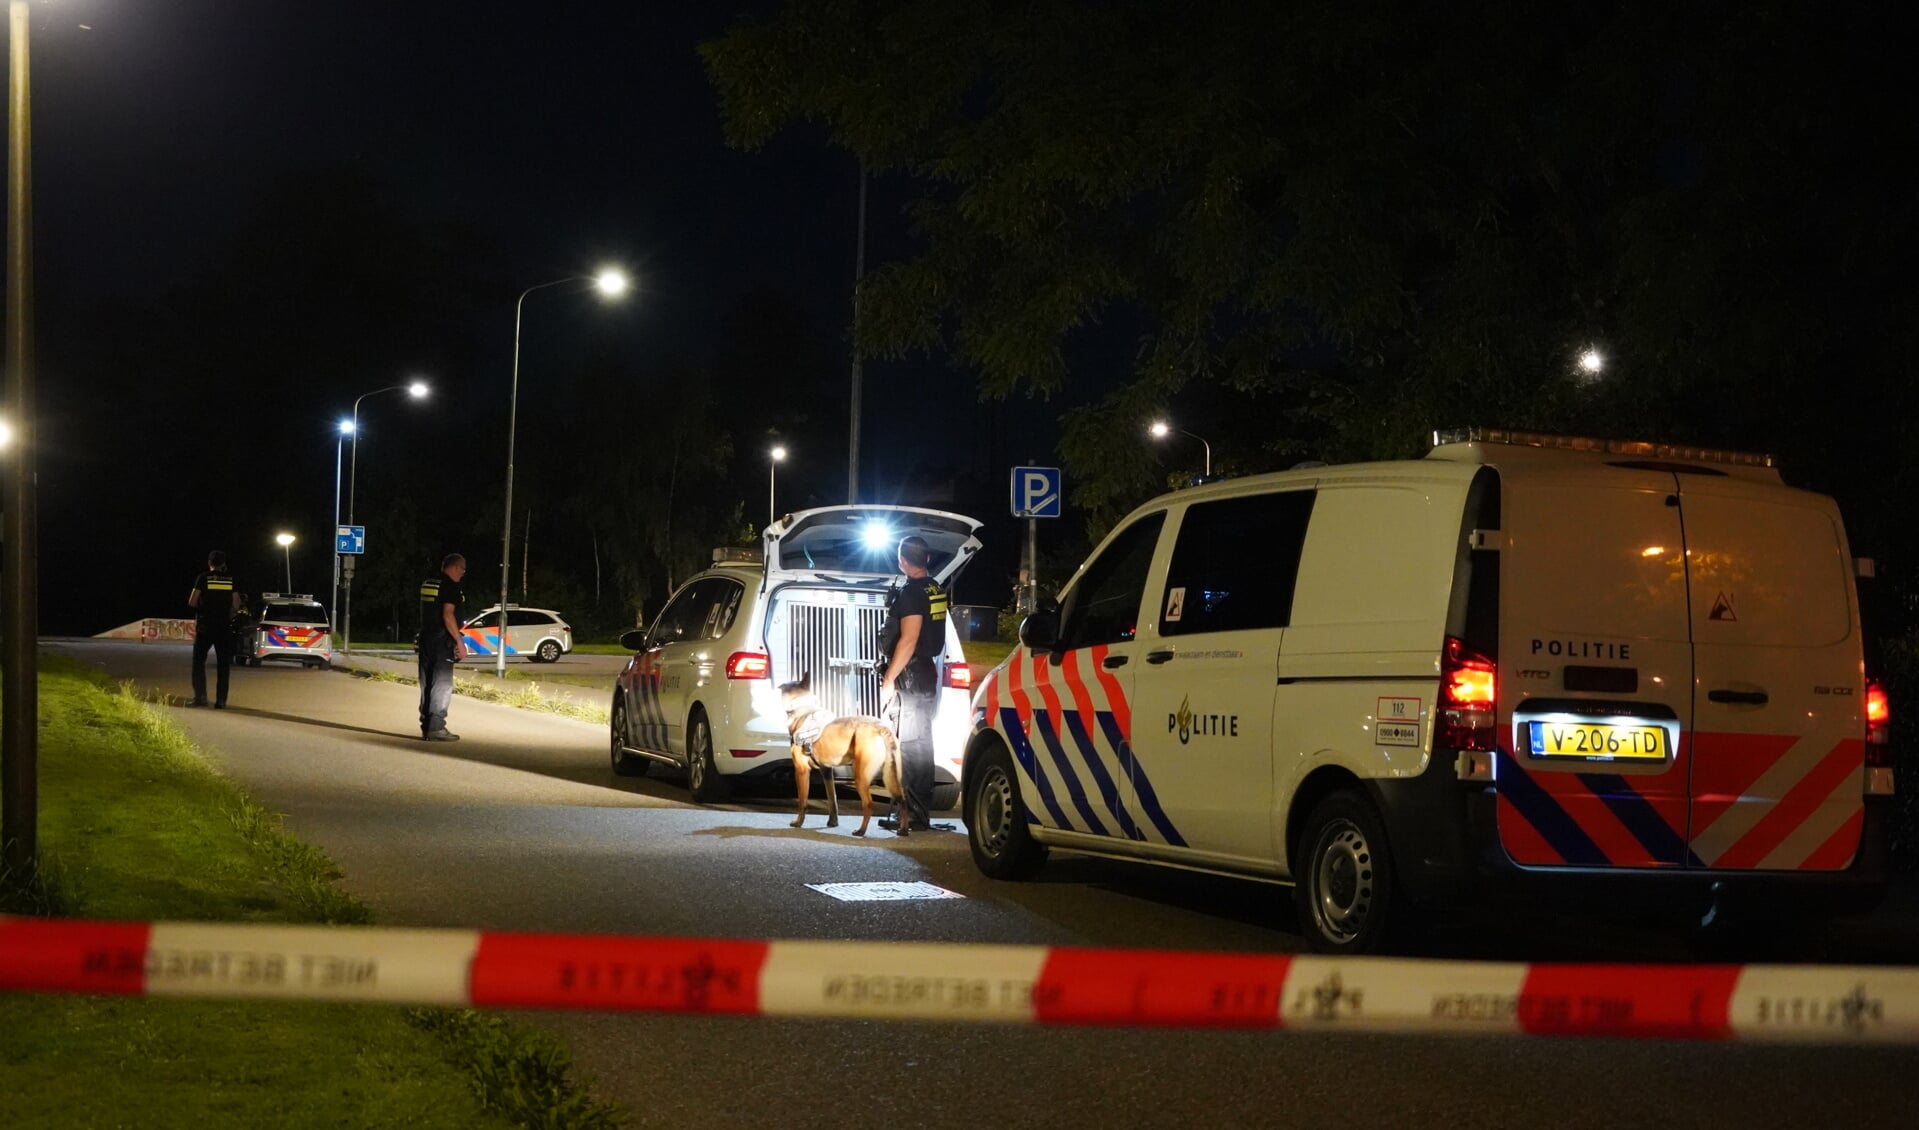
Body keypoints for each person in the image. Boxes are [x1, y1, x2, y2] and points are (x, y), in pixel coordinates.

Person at [878, 535, 949, 831]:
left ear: (902, 560)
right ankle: (907, 811)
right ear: (928, 559)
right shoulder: (935, 588)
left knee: (912, 746)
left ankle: (914, 815)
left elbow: (909, 639)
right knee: (918, 743)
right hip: (924, 673)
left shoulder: (912, 594)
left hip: (911, 675)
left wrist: (889, 679)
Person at [417, 553, 468, 741]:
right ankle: (437, 727)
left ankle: (426, 725)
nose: (463, 573)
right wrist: (459, 642)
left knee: (427, 682)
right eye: (462, 569)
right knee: (442, 684)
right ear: (455, 567)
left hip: (425, 638)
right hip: (441, 641)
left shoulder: (429, 583)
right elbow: (448, 615)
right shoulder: (450, 586)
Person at [186, 550, 242, 708]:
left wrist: (204, 609)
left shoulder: (203, 578)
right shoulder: (231, 579)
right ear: (223, 564)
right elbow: (236, 603)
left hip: (205, 626)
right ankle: (221, 701)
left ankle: (200, 698)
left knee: (198, 662)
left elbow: (192, 601)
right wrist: (228, 615)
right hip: (223, 627)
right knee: (223, 664)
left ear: (210, 563)